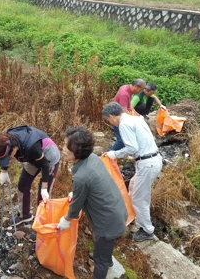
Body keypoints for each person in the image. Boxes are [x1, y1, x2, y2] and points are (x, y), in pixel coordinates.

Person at [57, 126, 127, 279]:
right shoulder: (92, 158)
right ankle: (102, 254)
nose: (62, 149)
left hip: (108, 219)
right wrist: (78, 191)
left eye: (66, 147)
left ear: (77, 151)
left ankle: (103, 262)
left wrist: (66, 219)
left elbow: (75, 206)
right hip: (115, 207)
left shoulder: (82, 176)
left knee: (101, 261)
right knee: (102, 245)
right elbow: (92, 185)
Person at [102, 102, 162, 242]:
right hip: (152, 159)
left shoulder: (124, 124)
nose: (111, 124)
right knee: (133, 187)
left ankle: (147, 230)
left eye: (109, 120)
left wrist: (115, 154)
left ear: (111, 116)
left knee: (139, 198)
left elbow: (132, 147)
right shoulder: (134, 118)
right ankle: (134, 216)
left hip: (147, 164)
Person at [0, 125, 60, 225]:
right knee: (22, 185)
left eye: (9, 156)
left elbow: (45, 165)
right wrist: (3, 172)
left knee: (43, 195)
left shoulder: (32, 147)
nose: (9, 158)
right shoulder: (5, 141)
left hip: (48, 158)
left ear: (14, 148)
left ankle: (41, 223)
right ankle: (25, 215)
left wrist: (44, 187)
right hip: (32, 158)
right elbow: (5, 156)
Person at [109, 78, 145, 151]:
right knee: (122, 141)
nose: (139, 92)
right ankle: (107, 155)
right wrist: (134, 120)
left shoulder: (126, 87)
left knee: (124, 139)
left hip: (119, 115)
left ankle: (118, 154)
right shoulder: (124, 94)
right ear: (136, 86)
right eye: (140, 89)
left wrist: (138, 115)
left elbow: (129, 106)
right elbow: (124, 111)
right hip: (116, 118)